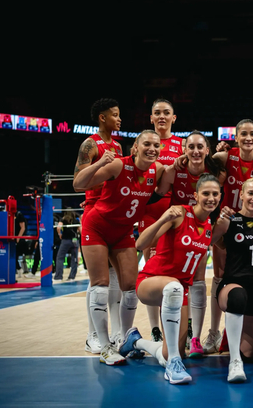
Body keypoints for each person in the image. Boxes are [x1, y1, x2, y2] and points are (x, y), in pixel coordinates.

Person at [73, 129, 172, 366]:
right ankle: (105, 346)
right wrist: (100, 164)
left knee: (130, 289)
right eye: (147, 144)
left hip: (123, 231)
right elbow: (78, 184)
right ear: (135, 147)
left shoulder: (158, 170)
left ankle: (124, 339)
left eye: (156, 146)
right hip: (97, 227)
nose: (152, 149)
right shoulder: (118, 165)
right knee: (100, 286)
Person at [118, 174, 227, 384]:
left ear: (220, 197)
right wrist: (163, 219)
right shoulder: (179, 213)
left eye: (215, 194)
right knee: (174, 287)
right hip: (151, 281)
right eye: (206, 193)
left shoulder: (209, 228)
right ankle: (173, 366)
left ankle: (136, 342)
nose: (211, 198)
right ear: (196, 195)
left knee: (173, 352)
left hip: (179, 290)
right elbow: (140, 244)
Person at [207, 119, 253, 354]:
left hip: (250, 224)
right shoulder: (224, 157)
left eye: (252, 134)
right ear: (235, 137)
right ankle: (214, 331)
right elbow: (203, 168)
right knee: (220, 275)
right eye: (243, 134)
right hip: (227, 223)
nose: (248, 138)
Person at [165, 130, 226, 357]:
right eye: (191, 147)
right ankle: (171, 334)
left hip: (202, 228)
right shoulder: (174, 170)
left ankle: (196, 338)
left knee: (198, 281)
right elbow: (158, 193)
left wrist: (224, 150)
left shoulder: (216, 172)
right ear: (184, 150)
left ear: (207, 150)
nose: (196, 151)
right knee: (176, 283)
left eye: (200, 147)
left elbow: (228, 158)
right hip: (177, 231)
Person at [73, 98, 125, 355]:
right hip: (95, 211)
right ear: (102, 117)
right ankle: (92, 335)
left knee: (115, 277)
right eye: (115, 115)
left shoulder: (118, 145)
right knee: (98, 280)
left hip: (114, 212)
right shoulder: (90, 144)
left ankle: (115, 332)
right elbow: (80, 181)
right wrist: (101, 163)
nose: (119, 119)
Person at [214, 178, 253, 382]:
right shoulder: (229, 220)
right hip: (232, 286)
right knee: (238, 297)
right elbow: (212, 240)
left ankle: (233, 333)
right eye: (251, 193)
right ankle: (234, 361)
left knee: (251, 354)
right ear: (241, 194)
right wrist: (218, 220)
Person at [138, 99, 184, 344]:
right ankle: (155, 328)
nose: (162, 116)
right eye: (157, 113)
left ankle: (181, 325)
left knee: (177, 269)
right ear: (151, 118)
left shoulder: (182, 145)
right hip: (149, 213)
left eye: (167, 113)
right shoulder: (144, 142)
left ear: (174, 118)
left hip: (174, 213)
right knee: (151, 270)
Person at [54, 210, 79, 281]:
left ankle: (58, 277)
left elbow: (58, 227)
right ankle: (72, 277)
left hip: (65, 241)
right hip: (75, 241)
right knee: (74, 259)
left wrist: (60, 234)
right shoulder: (76, 221)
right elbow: (81, 230)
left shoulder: (63, 220)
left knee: (60, 258)